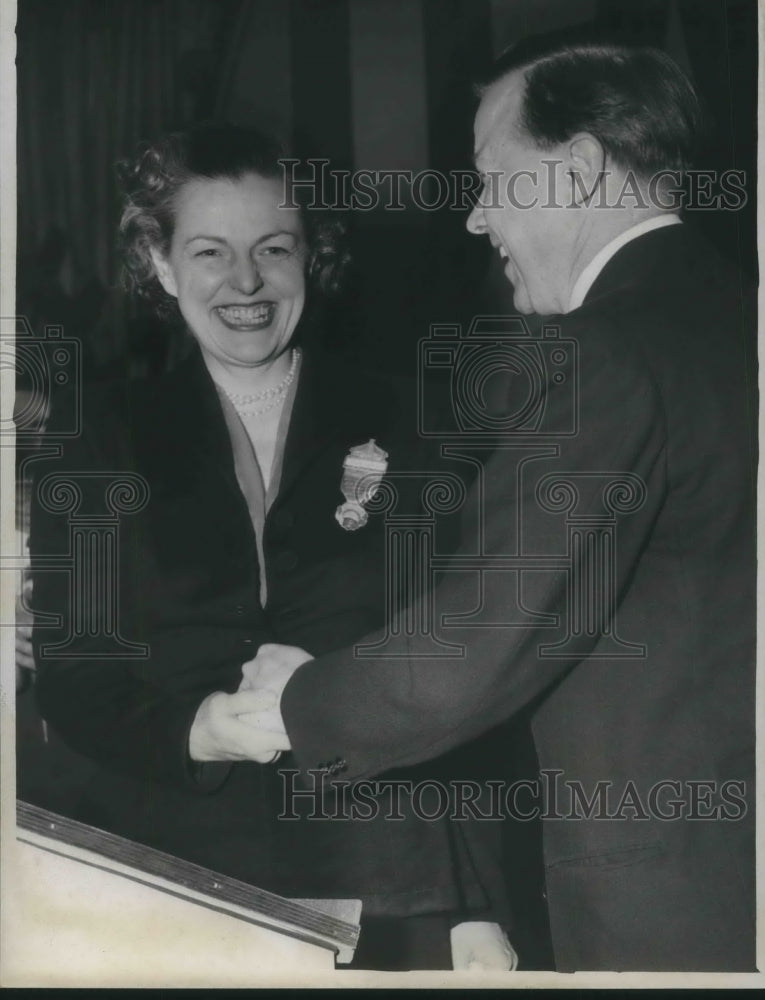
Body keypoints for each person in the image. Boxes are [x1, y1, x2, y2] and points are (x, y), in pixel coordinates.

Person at [242, 35, 757, 972]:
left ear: (579, 170)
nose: (477, 219)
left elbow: (477, 644)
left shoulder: (604, 354)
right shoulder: (730, 313)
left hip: (670, 905)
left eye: (489, 179)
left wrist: (295, 706)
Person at [29, 123, 518, 971]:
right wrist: (195, 731)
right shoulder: (102, 435)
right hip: (164, 879)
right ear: (162, 263)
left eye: (274, 248)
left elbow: (462, 674)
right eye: (211, 251)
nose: (246, 282)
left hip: (390, 878)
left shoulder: (411, 421)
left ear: (310, 259)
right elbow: (75, 680)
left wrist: (476, 904)